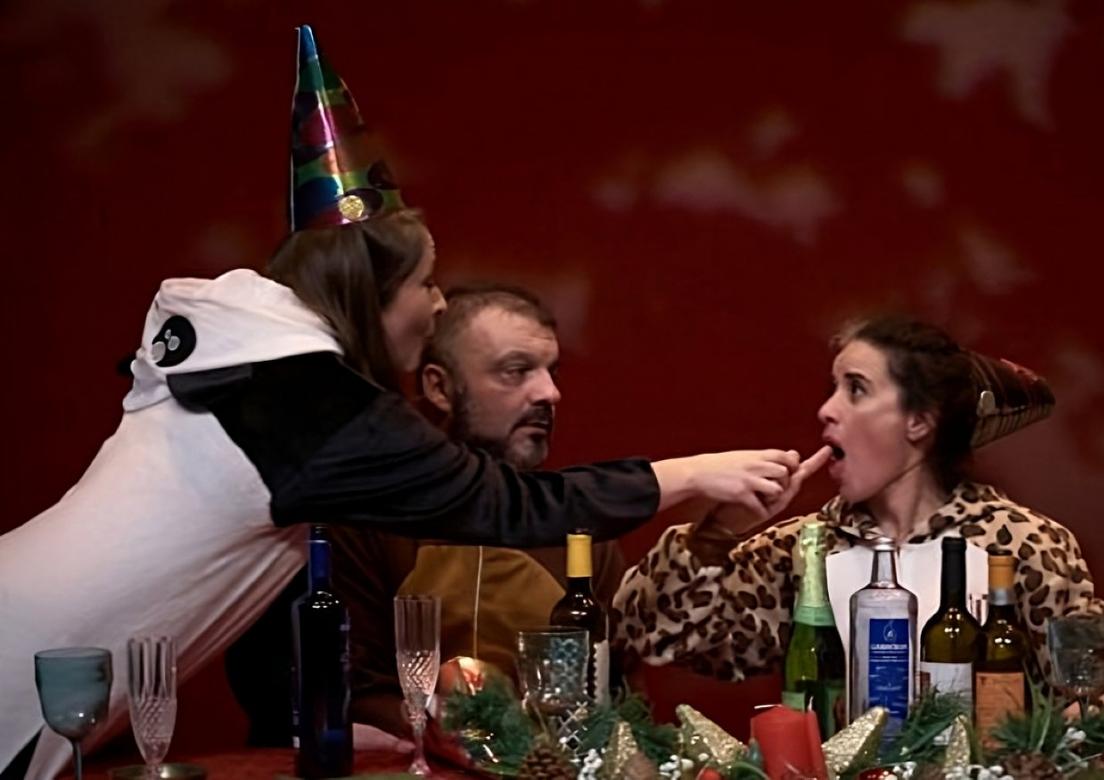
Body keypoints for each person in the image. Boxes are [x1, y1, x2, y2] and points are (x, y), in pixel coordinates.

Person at [0, 26, 807, 780]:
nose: (437, 303)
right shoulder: (307, 401)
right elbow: (510, 506)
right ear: (372, 293)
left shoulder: (257, 381)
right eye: (425, 282)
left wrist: (334, 720)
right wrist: (695, 473)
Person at [612, 314, 1104, 716]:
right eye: (833, 389)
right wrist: (718, 532)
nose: (827, 410)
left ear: (919, 422)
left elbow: (1102, 694)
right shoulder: (806, 547)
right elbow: (652, 638)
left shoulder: (1021, 542)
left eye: (856, 389)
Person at [226, 283, 628, 742]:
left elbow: (618, 701)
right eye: (516, 371)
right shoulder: (366, 519)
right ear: (439, 387)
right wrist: (458, 736)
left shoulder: (578, 531)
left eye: (551, 372)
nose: (549, 393)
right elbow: (343, 692)